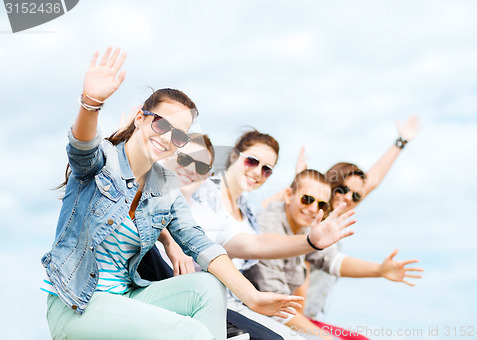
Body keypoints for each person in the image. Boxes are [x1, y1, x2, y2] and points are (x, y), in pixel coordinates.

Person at [40, 47, 303, 340]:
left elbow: (199, 242)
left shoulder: (164, 186)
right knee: (190, 333)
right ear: (140, 118)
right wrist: (91, 102)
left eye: (178, 135)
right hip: (77, 305)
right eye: (161, 124)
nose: (166, 137)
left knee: (207, 286)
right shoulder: (104, 162)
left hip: (126, 299)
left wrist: (252, 296)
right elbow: (82, 147)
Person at [190, 130, 356, 340]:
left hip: (232, 302)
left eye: (267, 169)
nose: (258, 172)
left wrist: (311, 241)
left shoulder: (247, 212)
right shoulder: (205, 191)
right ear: (234, 156)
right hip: (200, 296)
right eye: (252, 161)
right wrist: (309, 241)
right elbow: (254, 244)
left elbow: (261, 237)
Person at [244, 170, 423, 340]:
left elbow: (332, 260)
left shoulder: (307, 225)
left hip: (285, 315)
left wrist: (380, 270)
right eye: (307, 199)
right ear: (289, 195)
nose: (313, 208)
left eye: (321, 204)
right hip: (253, 314)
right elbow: (278, 307)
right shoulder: (268, 226)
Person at [137, 133, 283, 340]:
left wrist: (311, 242)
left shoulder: (208, 216)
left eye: (202, 167)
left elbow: (212, 246)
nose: (191, 169)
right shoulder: (143, 187)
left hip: (201, 293)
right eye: (185, 159)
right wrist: (168, 241)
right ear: (167, 156)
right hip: (153, 284)